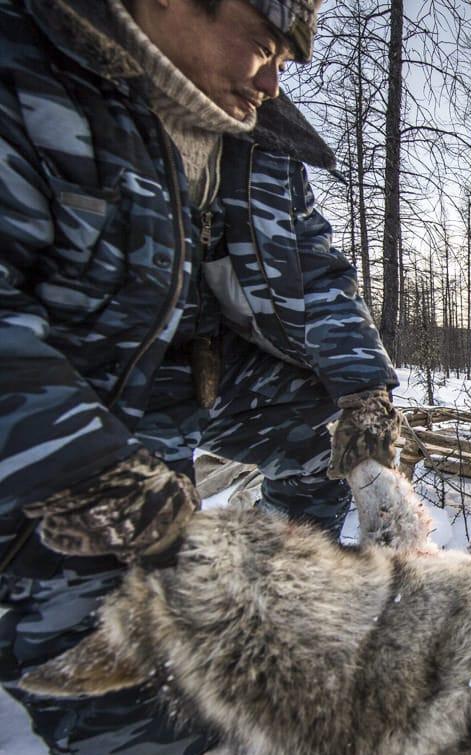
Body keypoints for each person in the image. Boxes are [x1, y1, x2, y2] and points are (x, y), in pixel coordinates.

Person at [0, 0, 402, 752]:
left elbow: (315, 268)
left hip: (201, 376)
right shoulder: (29, 72)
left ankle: (289, 596)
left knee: (329, 437)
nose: (274, 85)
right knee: (136, 690)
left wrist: (365, 394)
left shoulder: (259, 139)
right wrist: (88, 474)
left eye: (287, 64)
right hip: (68, 411)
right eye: (264, 49)